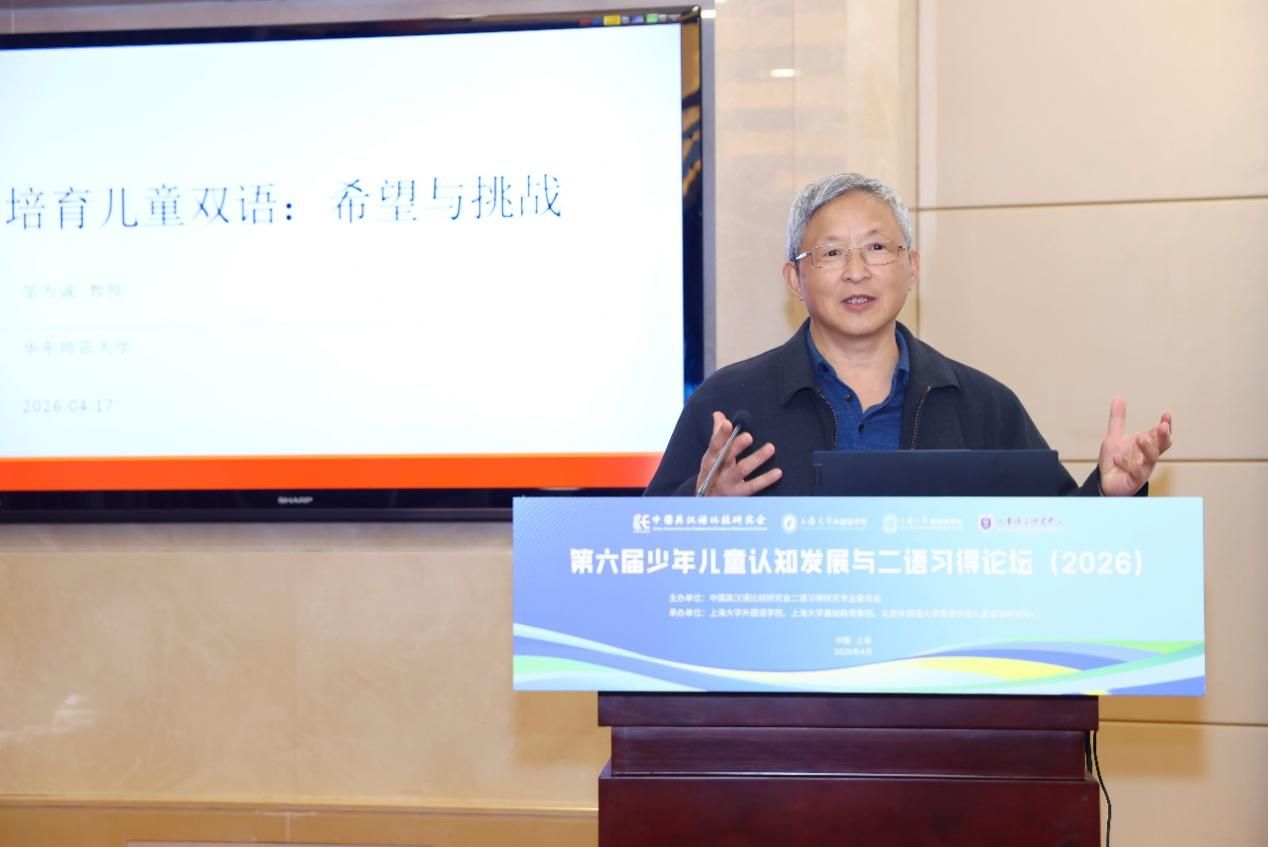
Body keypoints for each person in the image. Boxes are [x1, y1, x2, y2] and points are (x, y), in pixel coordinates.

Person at [645, 172, 1173, 497]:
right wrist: (701, 509)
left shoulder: (981, 406)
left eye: (877, 248)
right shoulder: (731, 406)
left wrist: (1109, 494)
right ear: (795, 279)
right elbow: (640, 554)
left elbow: (1051, 539)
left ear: (912, 267)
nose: (856, 272)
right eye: (831, 253)